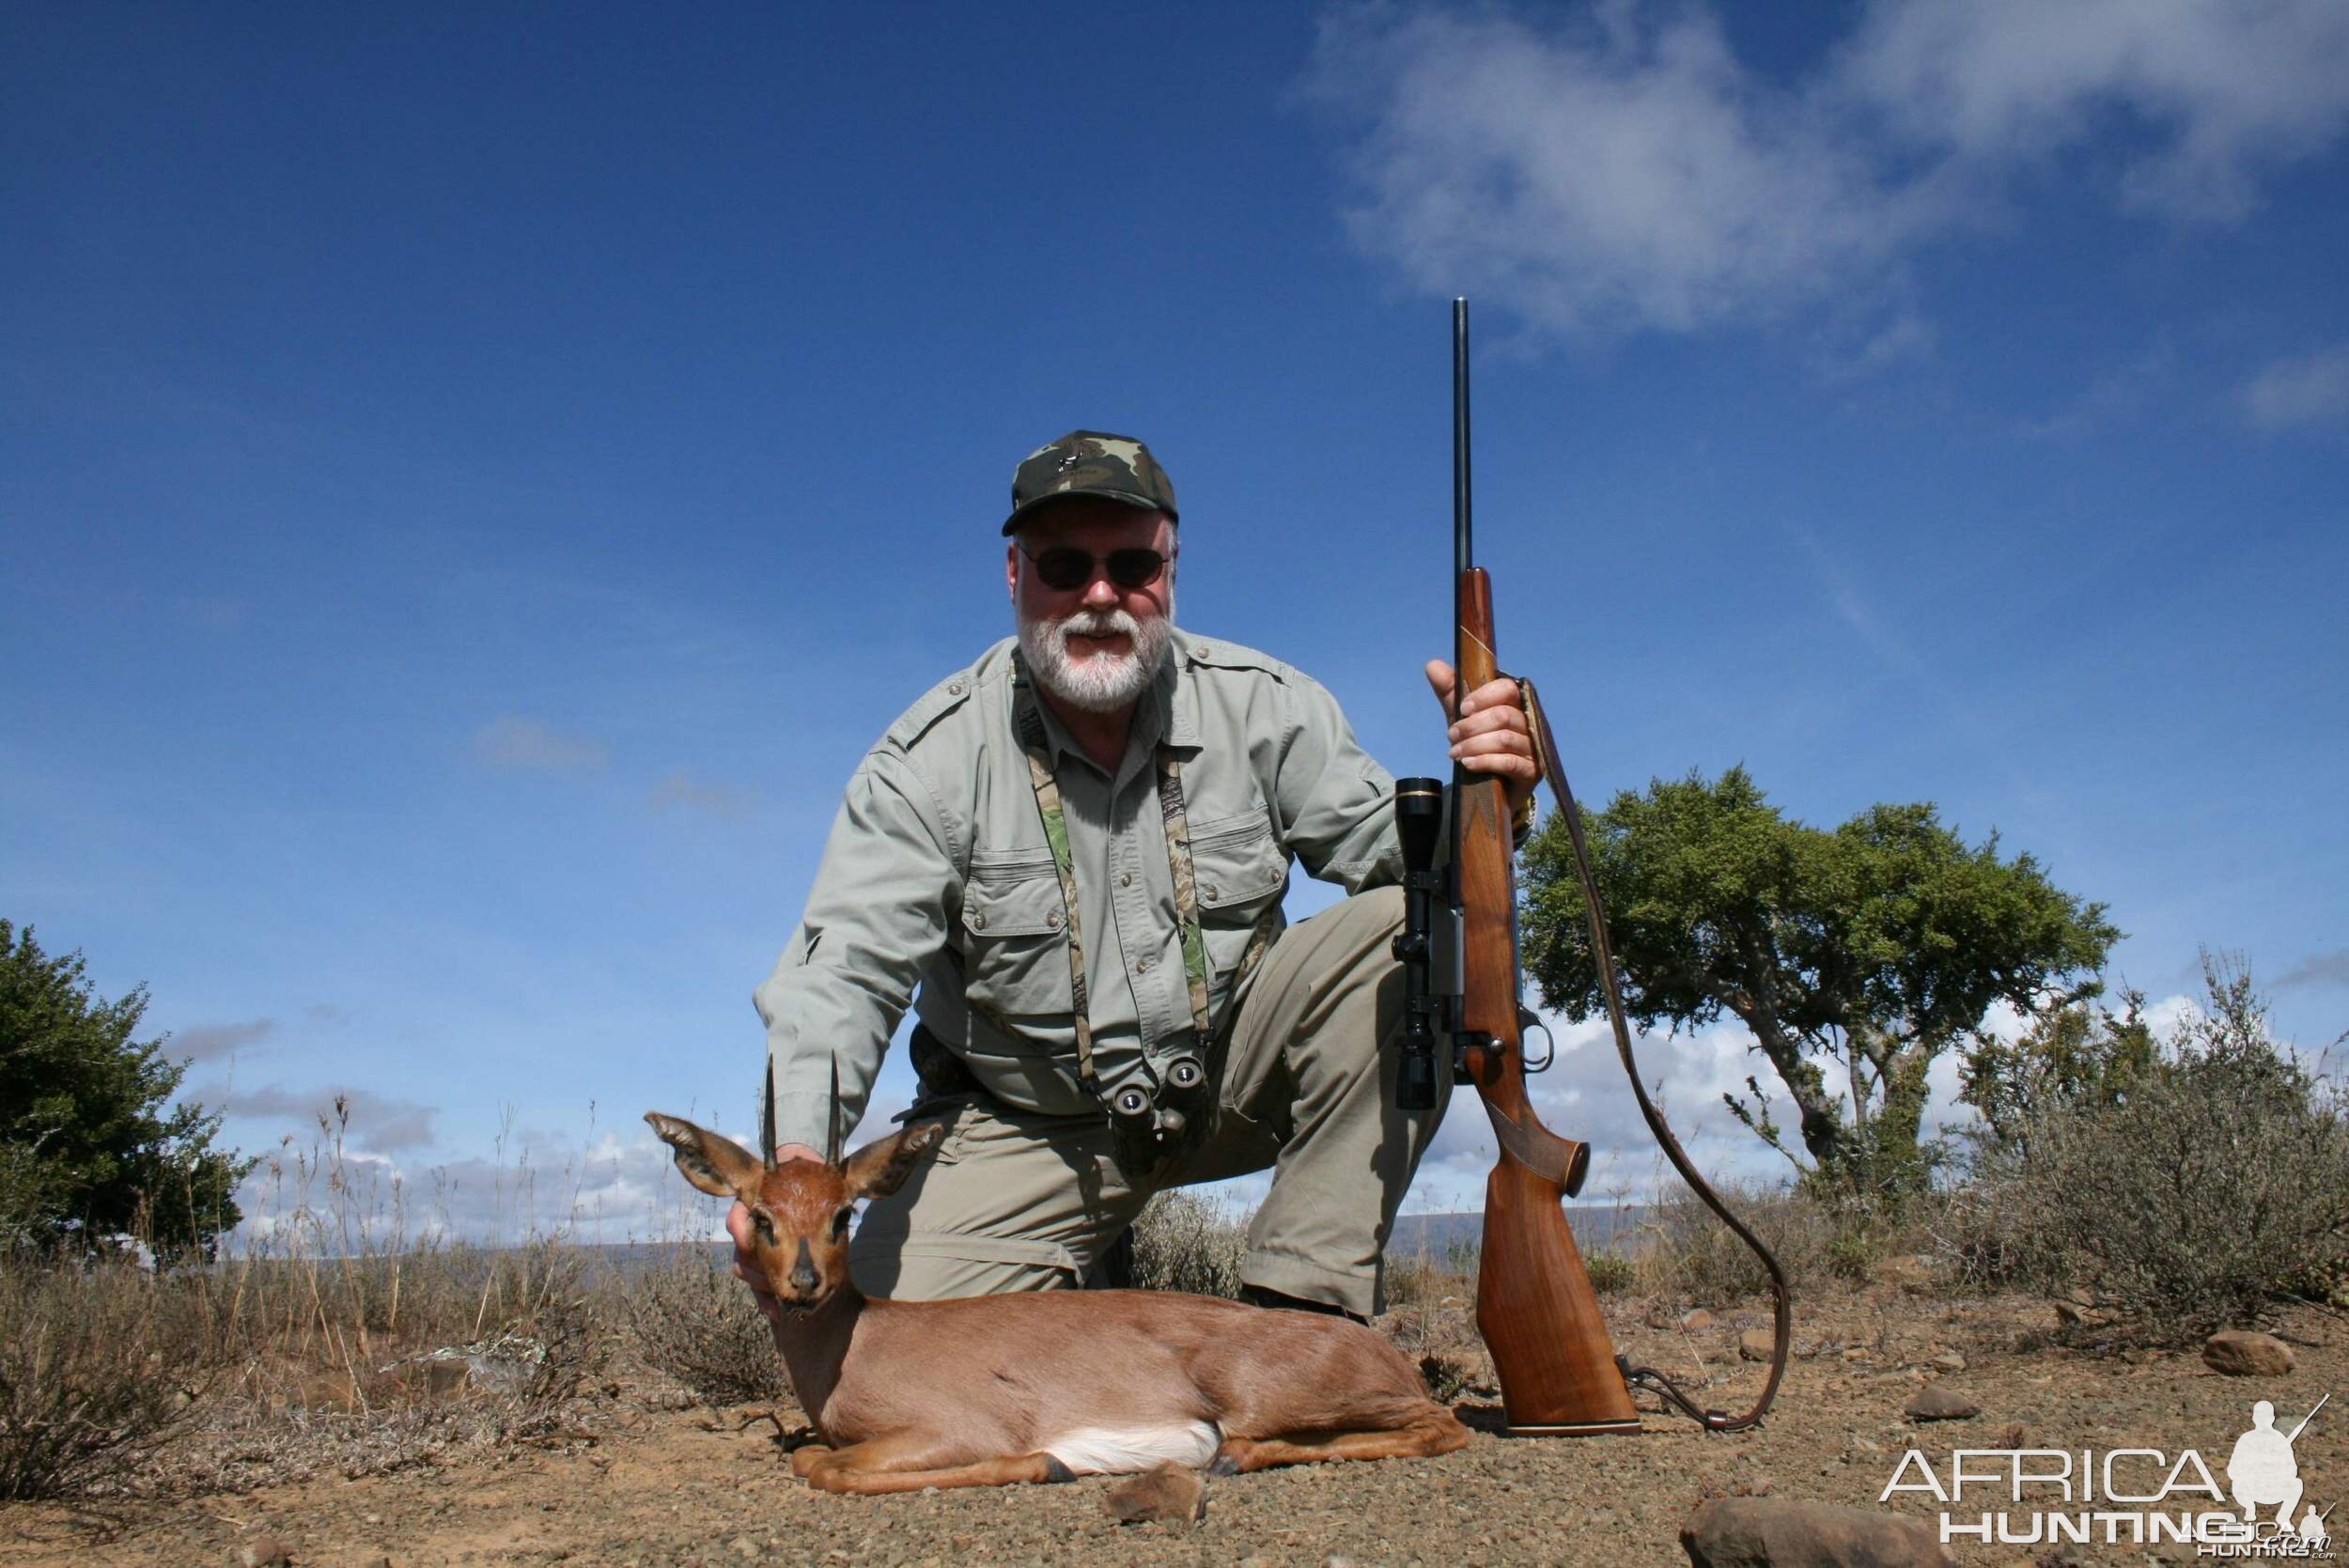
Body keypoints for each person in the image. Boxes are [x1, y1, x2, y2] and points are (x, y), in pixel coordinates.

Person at [729, 430, 1537, 1322]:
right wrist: (796, 1161)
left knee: (1407, 932)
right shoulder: (924, 764)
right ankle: (1078, 1273)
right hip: (1027, 1121)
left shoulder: (1267, 705)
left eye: (1132, 564)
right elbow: (844, 969)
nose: (1101, 594)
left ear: (1172, 566)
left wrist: (1494, 791)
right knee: (878, 1340)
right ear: (1014, 574)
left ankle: (1303, 1321)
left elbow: (1418, 868)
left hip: (1230, 1080)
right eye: (1065, 564)